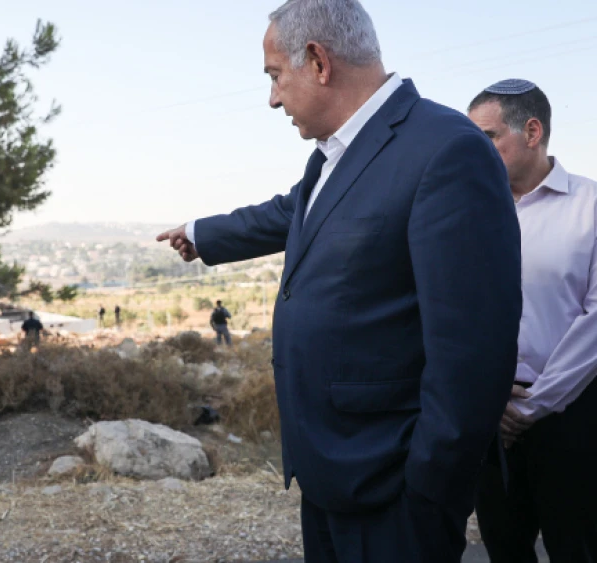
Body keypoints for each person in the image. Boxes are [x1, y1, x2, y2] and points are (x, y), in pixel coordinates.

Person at [156, 1, 521, 561]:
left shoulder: (447, 150)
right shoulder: (336, 154)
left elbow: (474, 352)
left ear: (319, 62)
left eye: (276, 76)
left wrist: (427, 489)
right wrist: (204, 234)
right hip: (330, 474)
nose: (273, 98)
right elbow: (292, 212)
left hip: (393, 488)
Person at [467, 79, 597, 562]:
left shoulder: (590, 206)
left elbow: (595, 320)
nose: (474, 153)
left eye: (487, 138)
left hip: (573, 415)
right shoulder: (467, 212)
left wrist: (531, 407)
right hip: (489, 416)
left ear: (532, 131)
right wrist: (490, 398)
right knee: (504, 547)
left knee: (576, 546)